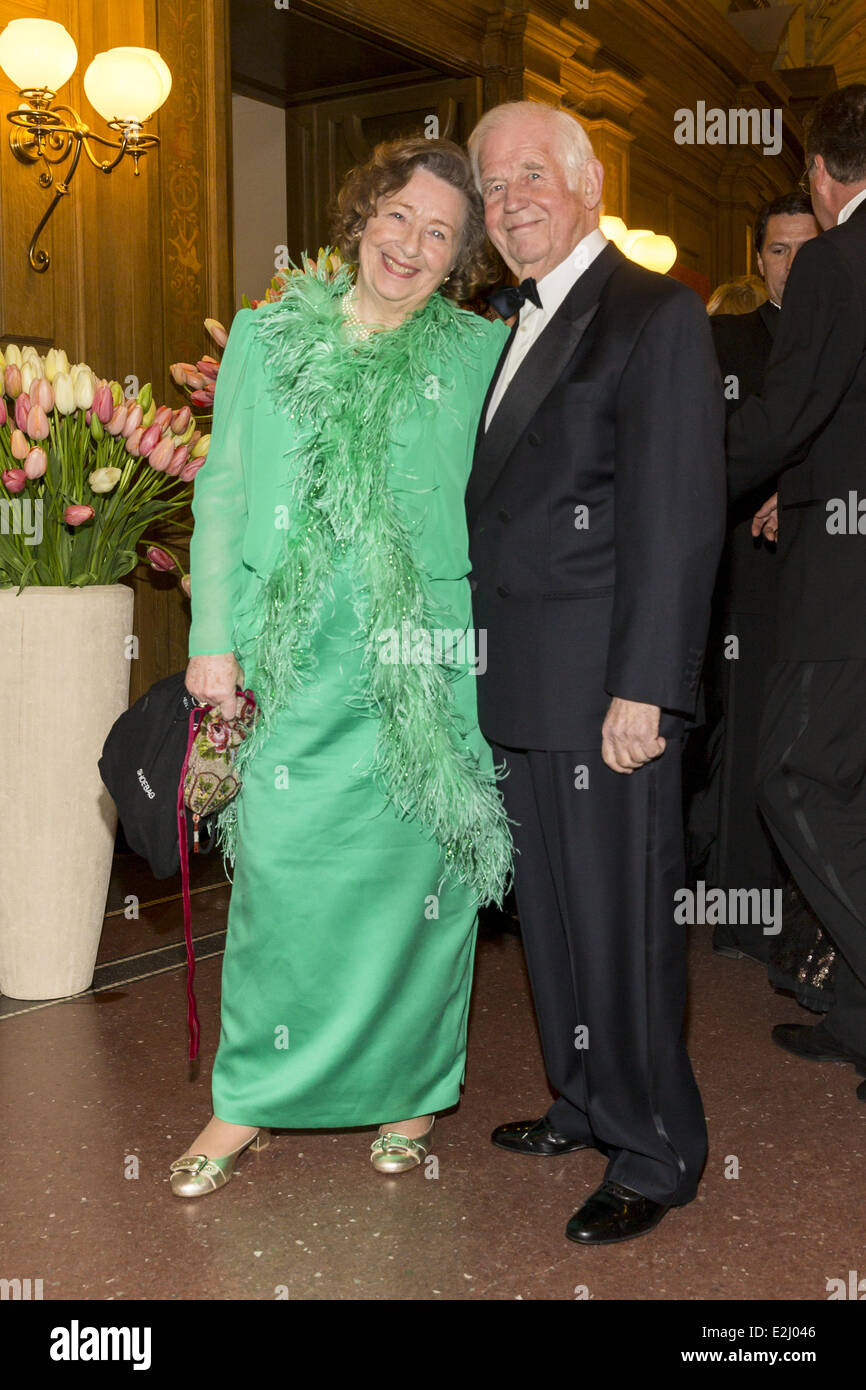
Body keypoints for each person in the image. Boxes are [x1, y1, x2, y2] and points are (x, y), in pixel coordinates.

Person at [169, 136, 512, 1197]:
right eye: (397, 217)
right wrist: (209, 642)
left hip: (423, 661)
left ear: (460, 259)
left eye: (438, 234)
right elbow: (223, 490)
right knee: (277, 872)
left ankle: (411, 1091)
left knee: (420, 878)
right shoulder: (268, 338)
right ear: (362, 215)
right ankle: (247, 1101)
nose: (409, 246)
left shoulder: (475, 352)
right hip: (290, 656)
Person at [466, 100, 726, 1244]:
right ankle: (581, 1098)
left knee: (619, 920)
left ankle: (655, 1143)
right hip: (521, 681)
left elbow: (677, 517)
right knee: (554, 917)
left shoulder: (651, 310)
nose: (508, 199)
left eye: (530, 173)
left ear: (584, 184)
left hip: (603, 689)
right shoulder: (498, 320)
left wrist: (647, 687)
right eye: (490, 185)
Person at [727, 84, 866, 1104]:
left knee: (790, 773)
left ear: (820, 174)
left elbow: (790, 410)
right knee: (848, 779)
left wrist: (677, 466)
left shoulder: (830, 259)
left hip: (843, 567)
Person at [687, 193, 819, 965]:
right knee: (749, 729)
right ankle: (748, 911)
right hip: (747, 555)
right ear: (758, 259)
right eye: (777, 250)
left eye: (807, 247)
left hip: (829, 551)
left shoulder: (841, 329)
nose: (792, 264)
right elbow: (712, 439)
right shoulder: (727, 334)